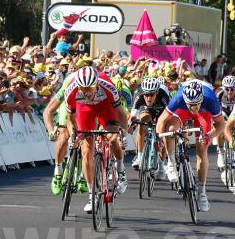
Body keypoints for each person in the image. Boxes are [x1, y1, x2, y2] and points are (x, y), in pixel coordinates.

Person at [64, 66, 129, 213]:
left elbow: (122, 114)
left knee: (113, 138)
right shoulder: (71, 90)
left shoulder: (108, 86)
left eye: (90, 89)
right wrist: (73, 135)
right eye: (83, 89)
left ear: (97, 84)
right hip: (84, 109)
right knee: (86, 151)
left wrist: (123, 134)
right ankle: (91, 196)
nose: (87, 92)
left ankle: (120, 169)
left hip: (105, 107)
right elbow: (70, 119)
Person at [157, 79, 225, 211]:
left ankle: (202, 192)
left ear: (201, 99)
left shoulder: (210, 99)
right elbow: (161, 120)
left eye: (196, 104)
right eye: (191, 104)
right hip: (182, 110)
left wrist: (208, 136)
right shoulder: (179, 97)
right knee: (170, 129)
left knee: (202, 148)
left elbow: (221, 125)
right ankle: (171, 163)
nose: (194, 107)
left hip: (203, 114)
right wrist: (158, 138)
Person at [130, 76, 170, 171]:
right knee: (142, 123)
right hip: (147, 110)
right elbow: (133, 115)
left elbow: (169, 113)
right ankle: (139, 156)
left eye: (151, 95)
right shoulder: (139, 95)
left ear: (156, 92)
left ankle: (161, 164)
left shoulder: (163, 95)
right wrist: (131, 124)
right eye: (146, 95)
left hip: (162, 111)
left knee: (163, 135)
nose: (148, 98)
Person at [215, 74, 235, 169]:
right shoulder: (219, 93)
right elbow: (216, 110)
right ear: (223, 88)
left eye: (232, 89)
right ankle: (220, 153)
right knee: (220, 129)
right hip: (223, 112)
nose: (229, 92)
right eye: (227, 89)